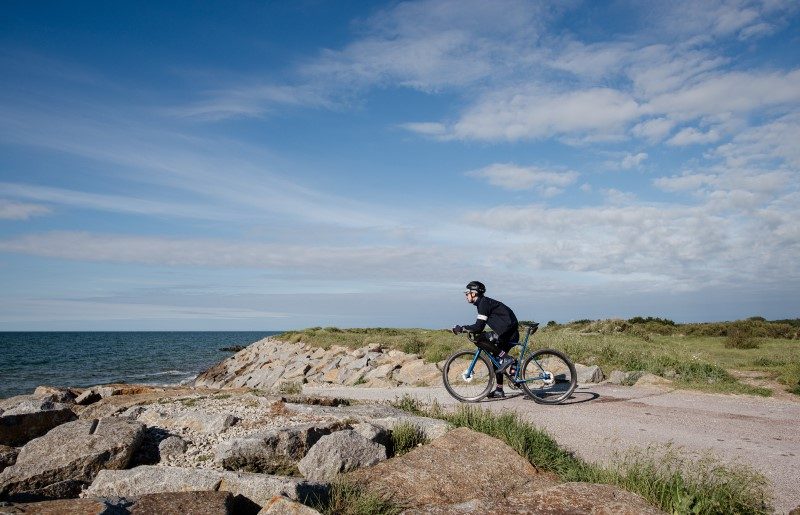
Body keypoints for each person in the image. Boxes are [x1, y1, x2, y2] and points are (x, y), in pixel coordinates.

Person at [452, 281, 519, 398]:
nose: (466, 295)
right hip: (507, 332)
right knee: (496, 360)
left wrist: (462, 328)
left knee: (480, 339)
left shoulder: (483, 304)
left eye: (467, 293)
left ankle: (509, 359)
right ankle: (499, 390)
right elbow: (479, 326)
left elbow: (478, 327)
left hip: (507, 333)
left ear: (474, 293)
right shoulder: (484, 303)